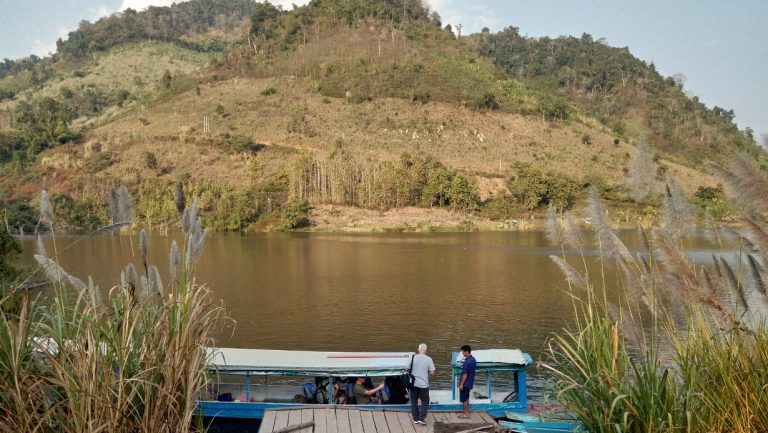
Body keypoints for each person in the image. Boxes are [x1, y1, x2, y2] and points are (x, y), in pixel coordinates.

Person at [409, 343, 436, 425]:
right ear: (426, 351)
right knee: (425, 401)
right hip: (424, 385)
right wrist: (428, 372)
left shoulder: (412, 357)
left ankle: (415, 418)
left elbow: (406, 368)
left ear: (418, 349)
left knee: (414, 401)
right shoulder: (429, 359)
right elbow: (432, 373)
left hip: (413, 384)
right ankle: (421, 418)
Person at [458, 344, 477, 419]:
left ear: (466, 352)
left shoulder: (467, 362)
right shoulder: (473, 360)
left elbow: (465, 374)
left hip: (465, 383)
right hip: (470, 382)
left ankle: (466, 414)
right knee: (466, 397)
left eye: (463, 351)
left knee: (464, 399)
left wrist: (461, 384)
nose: (462, 353)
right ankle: (466, 412)